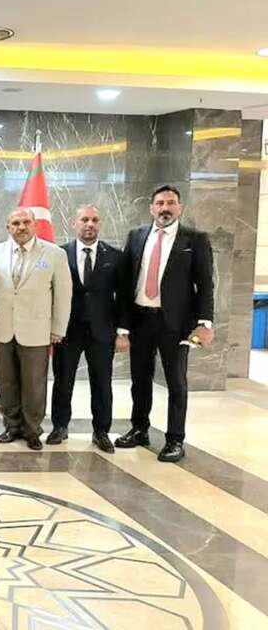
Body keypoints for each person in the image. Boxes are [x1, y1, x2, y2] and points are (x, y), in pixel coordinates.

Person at [115, 185, 214, 463]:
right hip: (141, 320)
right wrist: (123, 327)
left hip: (176, 324)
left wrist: (205, 323)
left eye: (171, 203)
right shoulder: (136, 236)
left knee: (176, 383)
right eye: (160, 203)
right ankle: (139, 429)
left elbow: (205, 283)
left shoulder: (195, 239)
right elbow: (126, 283)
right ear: (151, 208)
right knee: (140, 380)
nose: (165, 208)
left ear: (180, 208)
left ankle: (175, 439)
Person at [0, 207, 71, 450]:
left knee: (34, 384)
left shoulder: (54, 254)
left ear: (35, 225)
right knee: (6, 382)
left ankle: (32, 430)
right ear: (8, 227)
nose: (21, 227)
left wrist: (58, 328)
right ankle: (11, 427)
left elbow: (63, 295)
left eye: (25, 222)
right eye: (15, 223)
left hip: (37, 329)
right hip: (3, 327)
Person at [48, 205, 128, 454]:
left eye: (94, 220)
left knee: (102, 383)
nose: (89, 224)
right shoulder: (60, 254)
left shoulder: (115, 256)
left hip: (102, 332)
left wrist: (123, 332)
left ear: (100, 224)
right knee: (63, 381)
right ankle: (60, 426)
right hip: (67, 331)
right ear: (75, 223)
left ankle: (101, 431)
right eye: (84, 219)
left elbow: (123, 297)